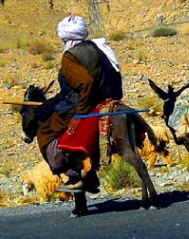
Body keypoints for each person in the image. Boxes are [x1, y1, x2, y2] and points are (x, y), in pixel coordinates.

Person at [34, 15, 124, 194]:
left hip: (83, 104)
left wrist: (81, 112)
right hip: (105, 99)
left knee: (44, 132)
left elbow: (86, 84)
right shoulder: (96, 47)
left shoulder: (69, 57)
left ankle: (74, 174)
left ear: (65, 38)